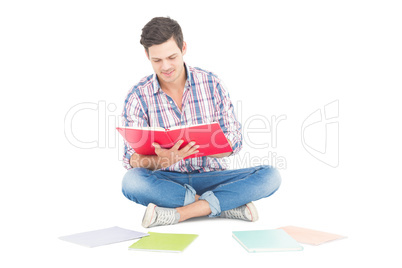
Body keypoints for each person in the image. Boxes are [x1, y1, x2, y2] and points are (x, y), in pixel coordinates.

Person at [121, 17, 281, 228]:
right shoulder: (138, 95)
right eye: (157, 60)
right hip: (168, 181)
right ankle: (224, 205)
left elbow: (235, 141)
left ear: (183, 48)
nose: (166, 66)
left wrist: (202, 148)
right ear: (147, 55)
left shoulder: (211, 84)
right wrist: (163, 160)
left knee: (270, 176)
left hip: (213, 177)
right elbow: (130, 159)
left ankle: (182, 213)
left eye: (172, 57)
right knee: (131, 182)